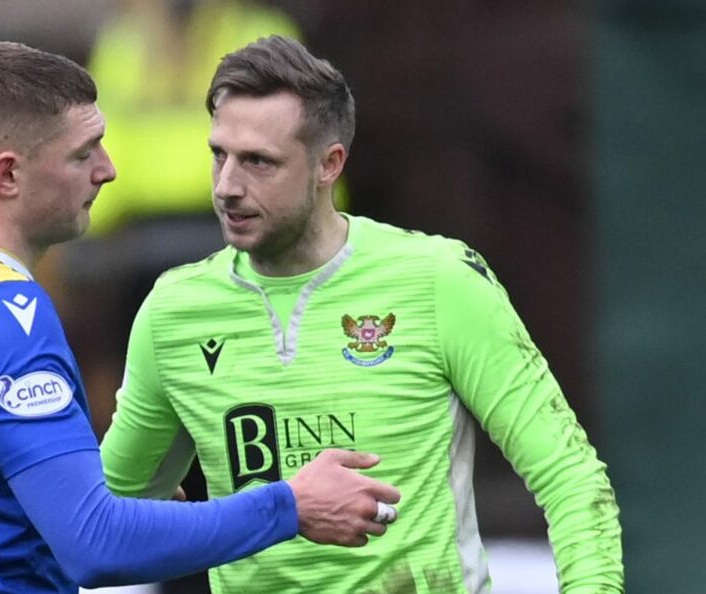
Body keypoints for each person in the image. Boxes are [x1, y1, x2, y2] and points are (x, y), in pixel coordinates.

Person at [0, 41, 402, 594]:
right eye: (84, 154)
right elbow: (94, 546)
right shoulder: (3, 311)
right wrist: (289, 505)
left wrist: (123, 506)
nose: (108, 171)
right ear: (8, 175)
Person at [100, 35, 624, 593]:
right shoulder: (174, 312)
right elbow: (102, 523)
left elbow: (570, 477)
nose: (228, 186)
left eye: (258, 162)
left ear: (330, 164)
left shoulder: (437, 279)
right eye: (219, 155)